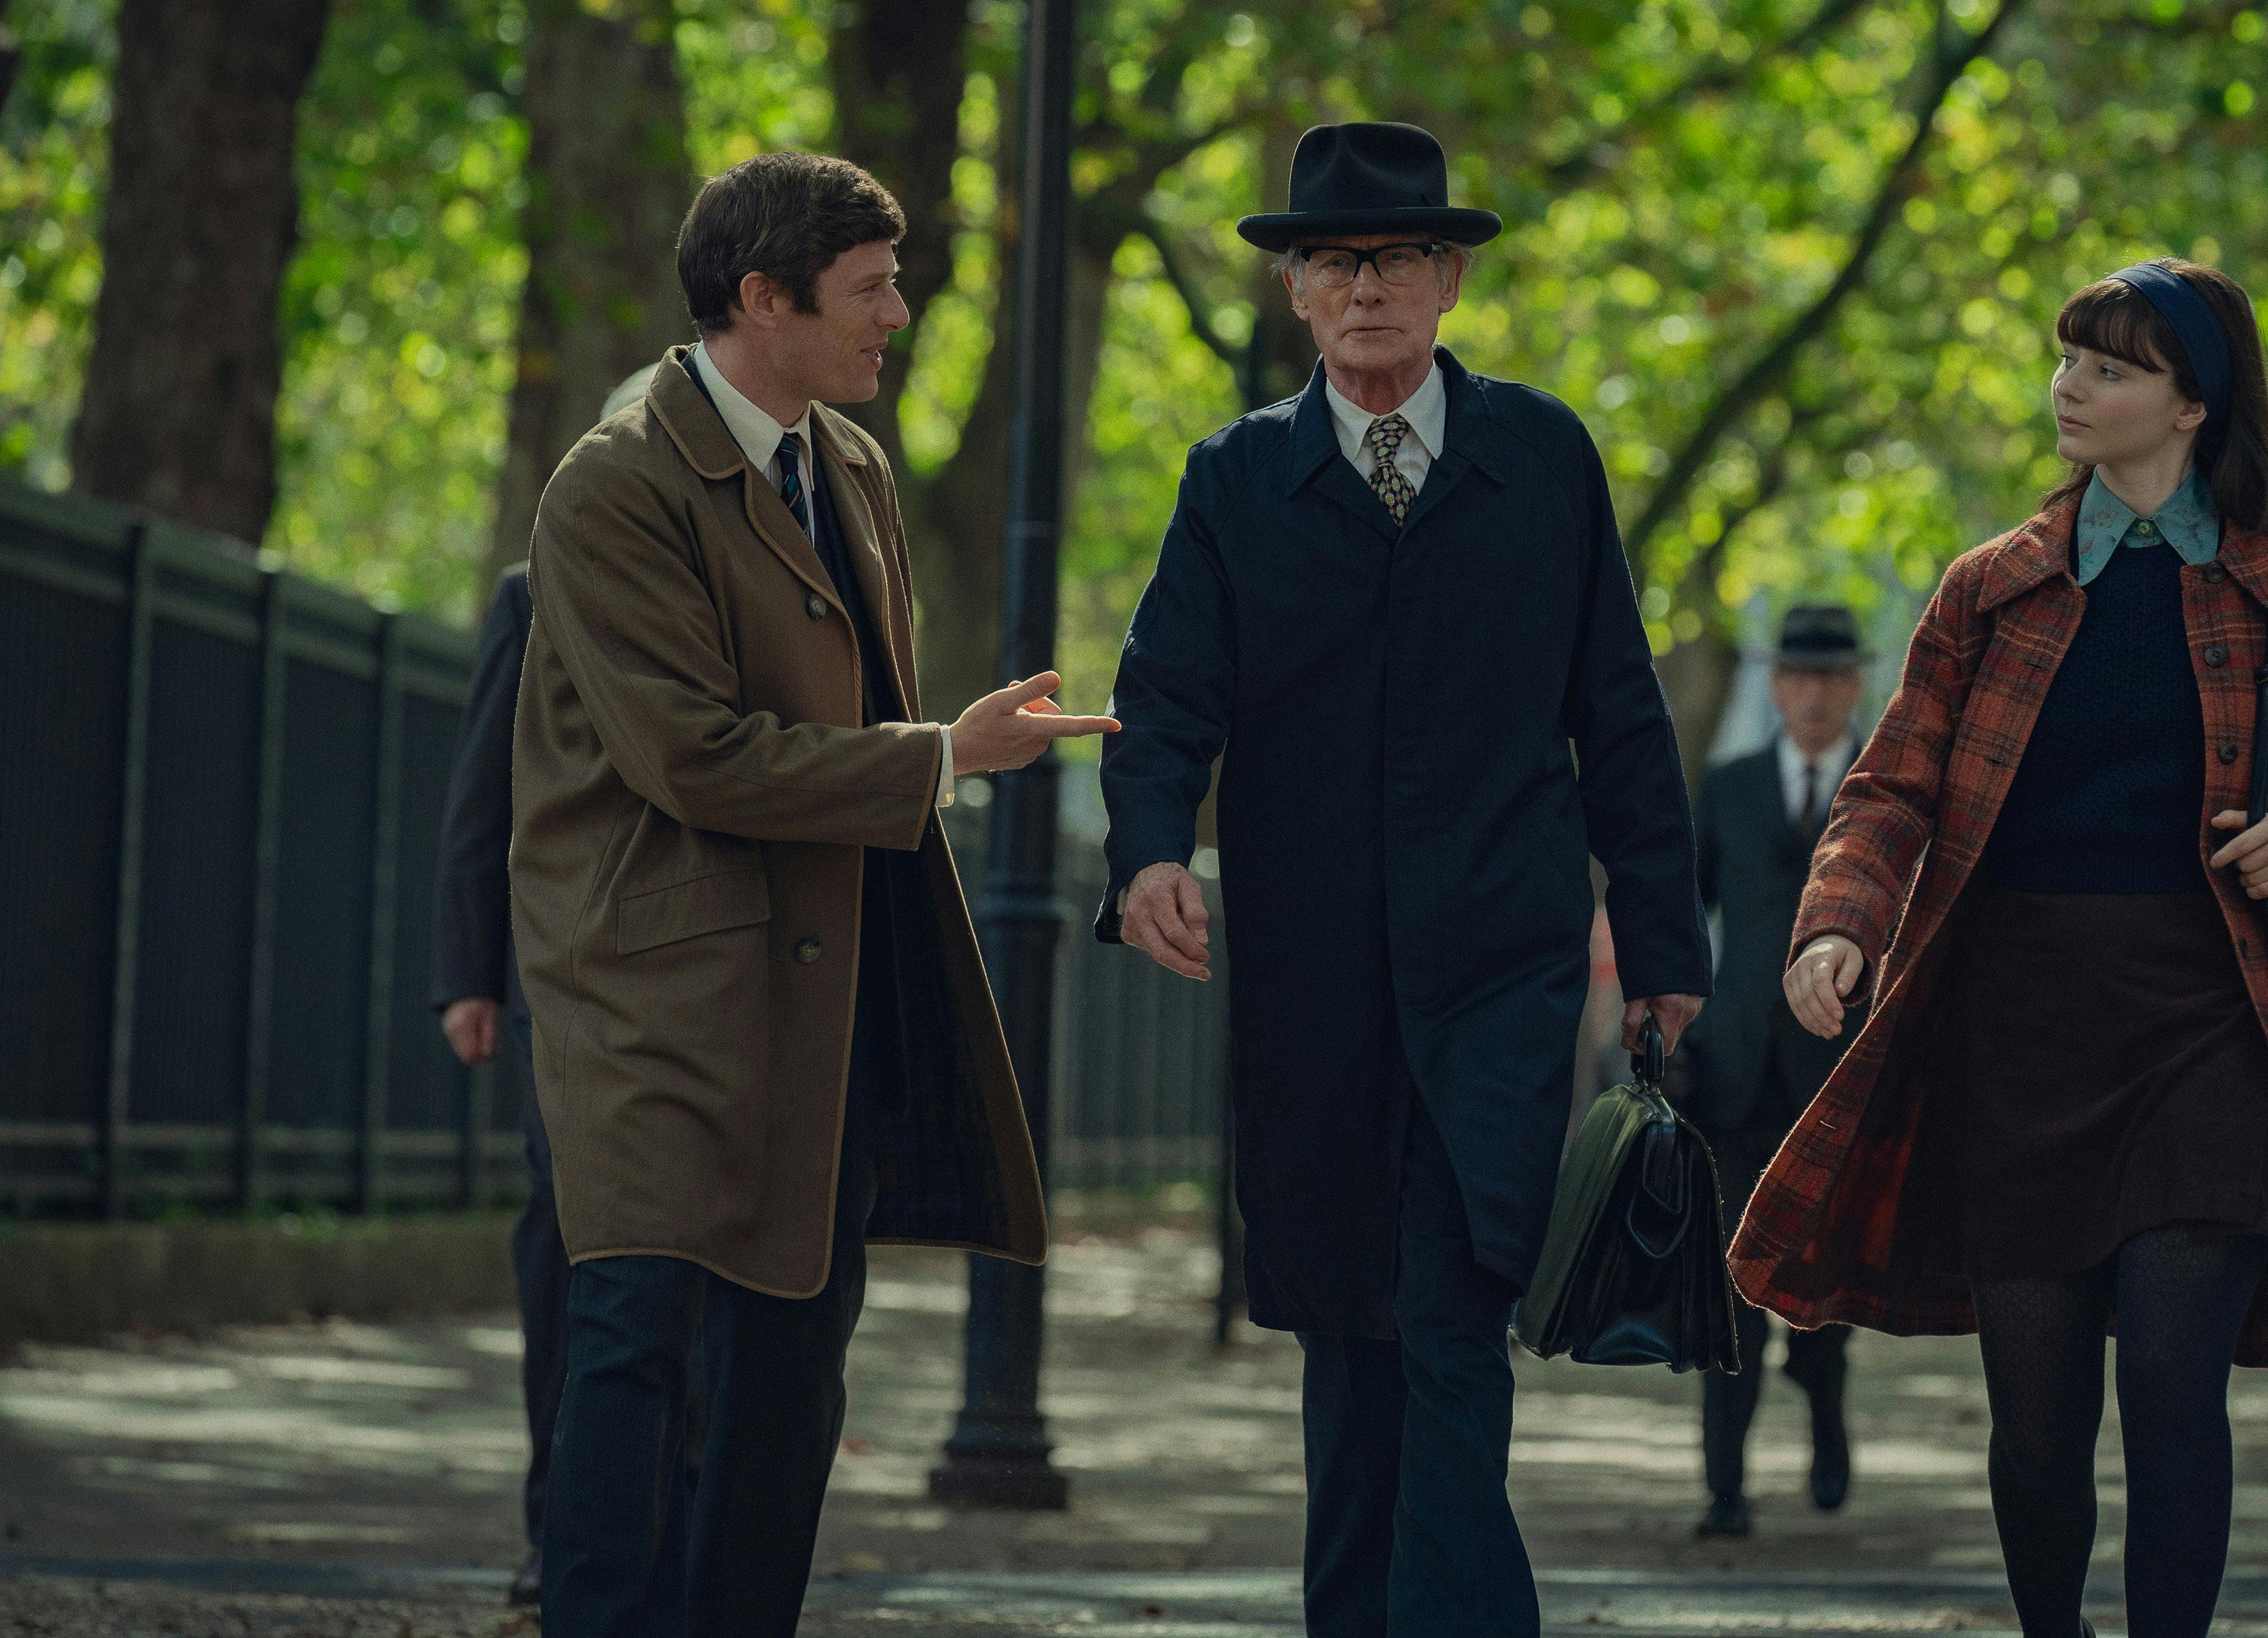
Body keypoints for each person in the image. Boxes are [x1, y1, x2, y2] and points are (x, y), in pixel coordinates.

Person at [1729, 258, 2268, 1638]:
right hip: (2020, 1030)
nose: (2072, 388)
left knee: (2175, 1382)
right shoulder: (1993, 588)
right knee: (2037, 1417)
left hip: (2212, 1020)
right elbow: (1890, 790)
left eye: (2109, 369)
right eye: (2068, 360)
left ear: (2190, 402)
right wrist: (1836, 926)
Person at [1098, 121, 1712, 1637]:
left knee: (1449, 1311)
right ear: (1295, 295)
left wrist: (1661, 947)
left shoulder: (1542, 460)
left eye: (1392, 260)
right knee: (1347, 1333)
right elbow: (1165, 699)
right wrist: (1149, 856)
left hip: (1497, 970)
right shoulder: (1237, 479)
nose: (1361, 286)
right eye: (1330, 261)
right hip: (1310, 983)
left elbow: (1618, 715)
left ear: (1446, 281)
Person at [509, 151, 1115, 1637]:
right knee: (634, 1344)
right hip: (655, 993)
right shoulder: (611, 484)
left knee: (795, 1360)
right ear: (759, 298)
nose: (898, 313)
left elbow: (840, 730)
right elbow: (689, 756)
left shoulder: (846, 463)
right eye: (869, 287)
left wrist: (939, 753)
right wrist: (942, 758)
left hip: (825, 992)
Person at [1682, 603, 1868, 1540]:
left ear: (1860, 682)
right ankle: (1724, 1488)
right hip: (1733, 1080)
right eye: (1799, 675)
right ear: (1774, 683)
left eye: (1833, 676)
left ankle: (1827, 1414)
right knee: (1730, 1291)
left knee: (1825, 1290)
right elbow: (1682, 916)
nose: (1816, 694)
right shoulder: (1731, 786)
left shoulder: (1888, 788)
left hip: (1840, 1078)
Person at [431, 560, 565, 1607]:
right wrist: (468, 974)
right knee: (564, 1239)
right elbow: (484, 789)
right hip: (554, 980)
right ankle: (556, 1527)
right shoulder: (532, 593)